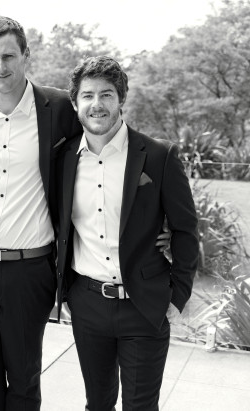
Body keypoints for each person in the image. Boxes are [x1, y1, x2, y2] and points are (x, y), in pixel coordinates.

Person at [0, 16, 82, 410]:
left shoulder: (60, 108)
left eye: (8, 56)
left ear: (26, 55)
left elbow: (99, 161)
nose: (0, 66)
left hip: (30, 269)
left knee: (24, 377)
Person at [56, 56, 199, 410]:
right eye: (88, 95)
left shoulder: (159, 156)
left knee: (141, 407)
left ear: (121, 99)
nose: (97, 104)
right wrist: (67, 294)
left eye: (107, 94)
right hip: (87, 303)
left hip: (144, 305)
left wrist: (177, 297)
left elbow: (185, 229)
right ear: (75, 103)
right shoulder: (62, 158)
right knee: (97, 403)